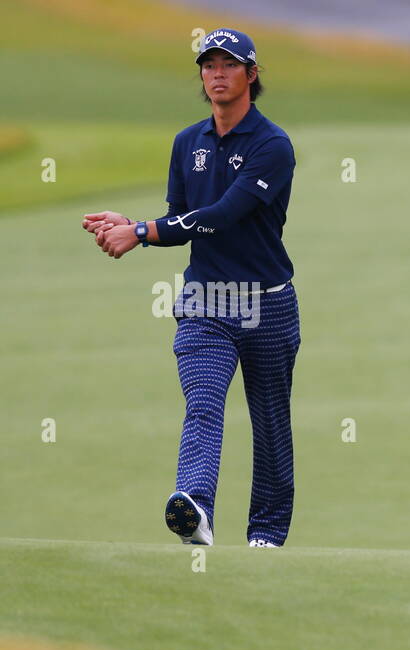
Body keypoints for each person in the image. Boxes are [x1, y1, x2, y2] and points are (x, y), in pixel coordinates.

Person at [84, 28, 299, 548]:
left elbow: (224, 215)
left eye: (229, 65)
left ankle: (266, 535)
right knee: (203, 400)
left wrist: (139, 232)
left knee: (270, 423)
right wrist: (141, 224)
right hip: (206, 301)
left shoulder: (273, 146)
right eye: (209, 66)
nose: (217, 74)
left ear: (252, 75)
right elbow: (183, 220)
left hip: (268, 302)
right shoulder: (187, 142)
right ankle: (196, 508)